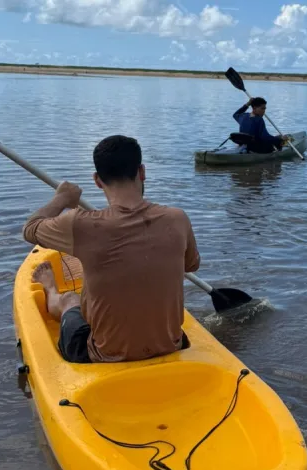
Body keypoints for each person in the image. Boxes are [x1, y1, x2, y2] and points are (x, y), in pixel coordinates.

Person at [22, 135, 200, 364]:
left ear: (97, 180)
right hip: (171, 346)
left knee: (70, 301)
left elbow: (30, 228)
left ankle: (52, 291)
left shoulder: (80, 224)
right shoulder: (178, 218)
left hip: (102, 356)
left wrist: (62, 199)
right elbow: (190, 265)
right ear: (142, 172)